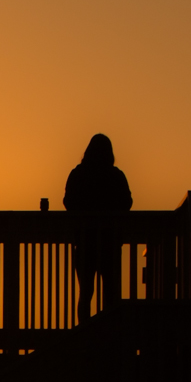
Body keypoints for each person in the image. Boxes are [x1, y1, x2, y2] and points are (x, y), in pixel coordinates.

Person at [64, 134, 132, 323]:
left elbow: (68, 201)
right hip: (110, 244)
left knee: (85, 292)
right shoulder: (116, 176)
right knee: (111, 293)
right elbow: (127, 202)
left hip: (85, 243)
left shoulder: (78, 174)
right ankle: (109, 337)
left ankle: (84, 335)